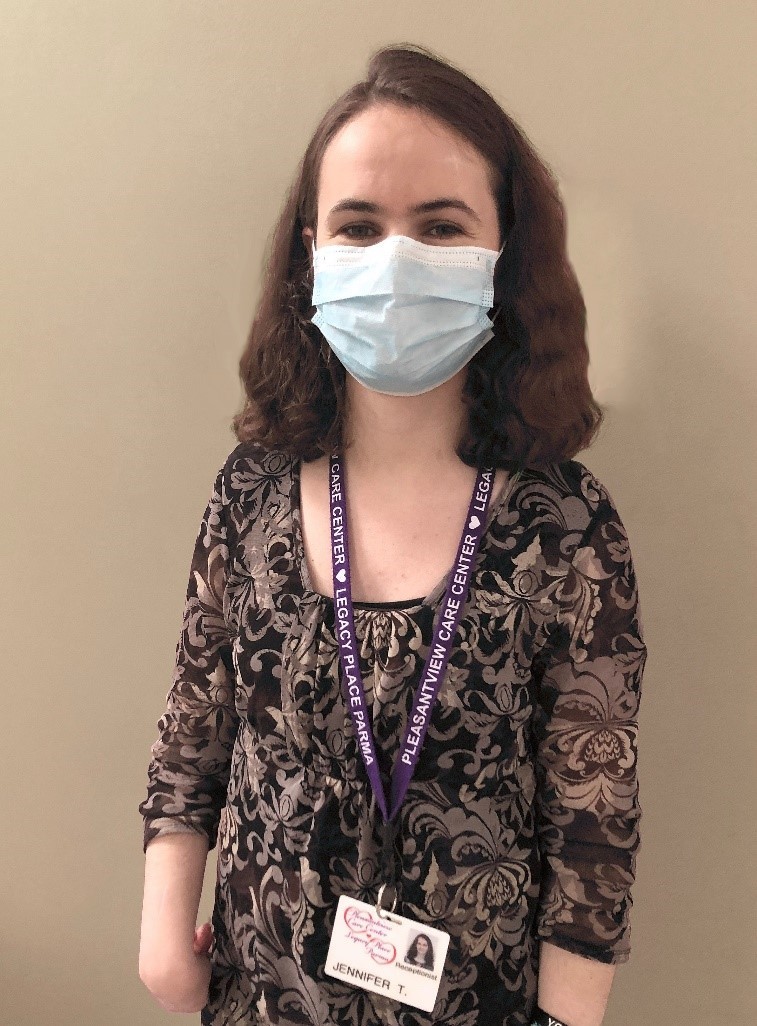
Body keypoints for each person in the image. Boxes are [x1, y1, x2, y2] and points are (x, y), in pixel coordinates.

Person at [138, 43, 647, 1026]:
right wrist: (165, 932)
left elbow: (594, 821)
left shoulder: (569, 526)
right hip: (257, 995)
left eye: (441, 227)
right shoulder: (251, 494)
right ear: (309, 253)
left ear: (504, 257)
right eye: (358, 227)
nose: (394, 260)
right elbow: (193, 722)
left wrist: (567, 1017)